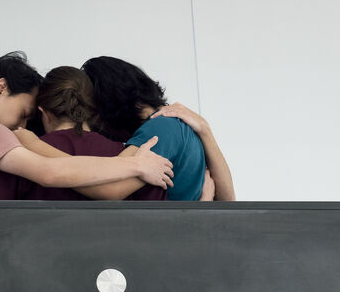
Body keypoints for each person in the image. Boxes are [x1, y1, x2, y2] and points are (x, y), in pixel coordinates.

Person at [0, 52, 175, 201]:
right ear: (1, 88)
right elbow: (48, 172)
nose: (22, 125)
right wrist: (136, 164)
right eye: (24, 113)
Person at [15, 56, 234, 201]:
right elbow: (229, 203)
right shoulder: (178, 125)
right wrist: (205, 130)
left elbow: (110, 189)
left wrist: (33, 145)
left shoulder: (158, 130)